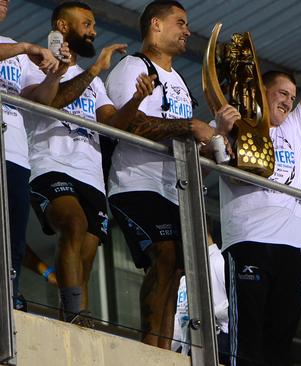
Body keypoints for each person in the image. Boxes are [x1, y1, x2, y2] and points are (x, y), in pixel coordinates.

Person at [20, 1, 154, 325]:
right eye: (87, 24)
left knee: (87, 258)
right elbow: (49, 100)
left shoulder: (94, 83)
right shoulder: (34, 62)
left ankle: (77, 330)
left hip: (91, 176)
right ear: (63, 27)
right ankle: (76, 315)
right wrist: (95, 70)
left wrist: (137, 98)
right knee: (73, 223)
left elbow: (111, 124)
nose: (94, 31)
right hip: (50, 163)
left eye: (94, 26)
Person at [217, 10, 301, 365]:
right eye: (281, 93)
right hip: (249, 239)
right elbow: (232, 174)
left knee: (282, 336)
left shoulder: (294, 129)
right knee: (248, 336)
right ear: (259, 91)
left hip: (290, 246)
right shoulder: (231, 123)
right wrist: (222, 132)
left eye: (291, 96)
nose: (288, 100)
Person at [105, 0, 224, 348]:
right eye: (181, 22)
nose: (187, 30)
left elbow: (186, 138)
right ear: (156, 24)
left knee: (177, 268)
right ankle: (149, 344)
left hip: (176, 189)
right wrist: (190, 125)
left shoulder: (181, 81)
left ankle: (161, 347)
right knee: (165, 253)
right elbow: (133, 124)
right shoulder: (132, 66)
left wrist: (215, 138)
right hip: (136, 181)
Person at [0, 0, 60, 310]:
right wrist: (24, 47)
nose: (3, 2)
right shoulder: (17, 48)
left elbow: (38, 100)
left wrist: (53, 76)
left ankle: (9, 303)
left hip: (16, 155)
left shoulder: (14, 49)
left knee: (14, 240)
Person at [172, 218, 229, 364]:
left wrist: (206, 315)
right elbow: (179, 323)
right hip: (191, 354)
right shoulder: (186, 277)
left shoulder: (222, 261)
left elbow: (238, 308)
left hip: (219, 349)